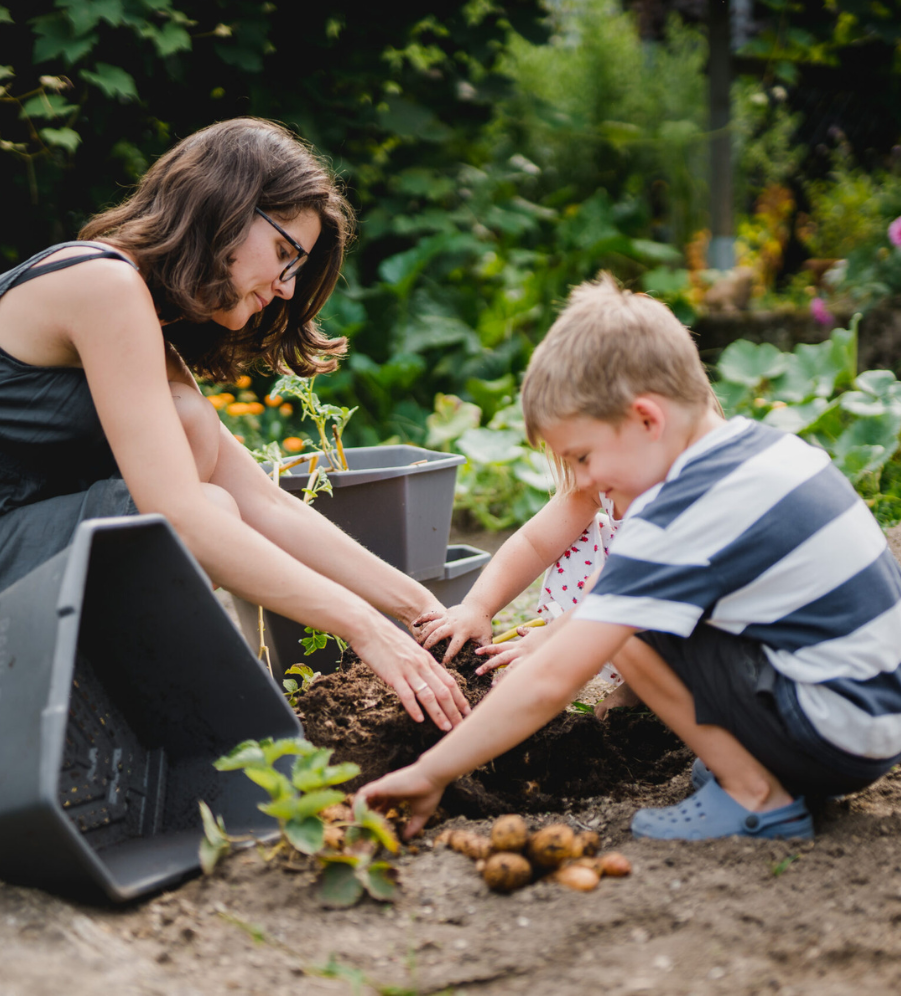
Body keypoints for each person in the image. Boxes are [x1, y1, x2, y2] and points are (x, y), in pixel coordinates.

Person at [0, 117, 469, 822]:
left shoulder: (137, 309)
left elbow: (263, 500)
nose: (288, 288)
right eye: (285, 253)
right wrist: (362, 627)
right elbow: (184, 515)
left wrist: (423, 613)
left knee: (195, 436)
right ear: (227, 207)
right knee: (180, 521)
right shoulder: (99, 283)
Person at [358, 273, 901, 843]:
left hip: (837, 734)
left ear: (647, 418)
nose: (585, 480)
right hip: (868, 718)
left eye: (585, 456)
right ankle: (763, 764)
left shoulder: (677, 513)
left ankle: (757, 795)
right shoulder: (764, 452)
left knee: (626, 626)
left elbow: (553, 681)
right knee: (637, 608)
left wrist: (431, 771)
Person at [412, 461, 640, 716]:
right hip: (621, 603)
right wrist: (477, 607)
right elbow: (533, 543)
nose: (585, 476)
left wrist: (553, 637)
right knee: (578, 532)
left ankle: (651, 680)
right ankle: (635, 676)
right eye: (574, 459)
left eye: (586, 454)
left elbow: (626, 585)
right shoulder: (597, 479)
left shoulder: (672, 495)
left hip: (677, 617)